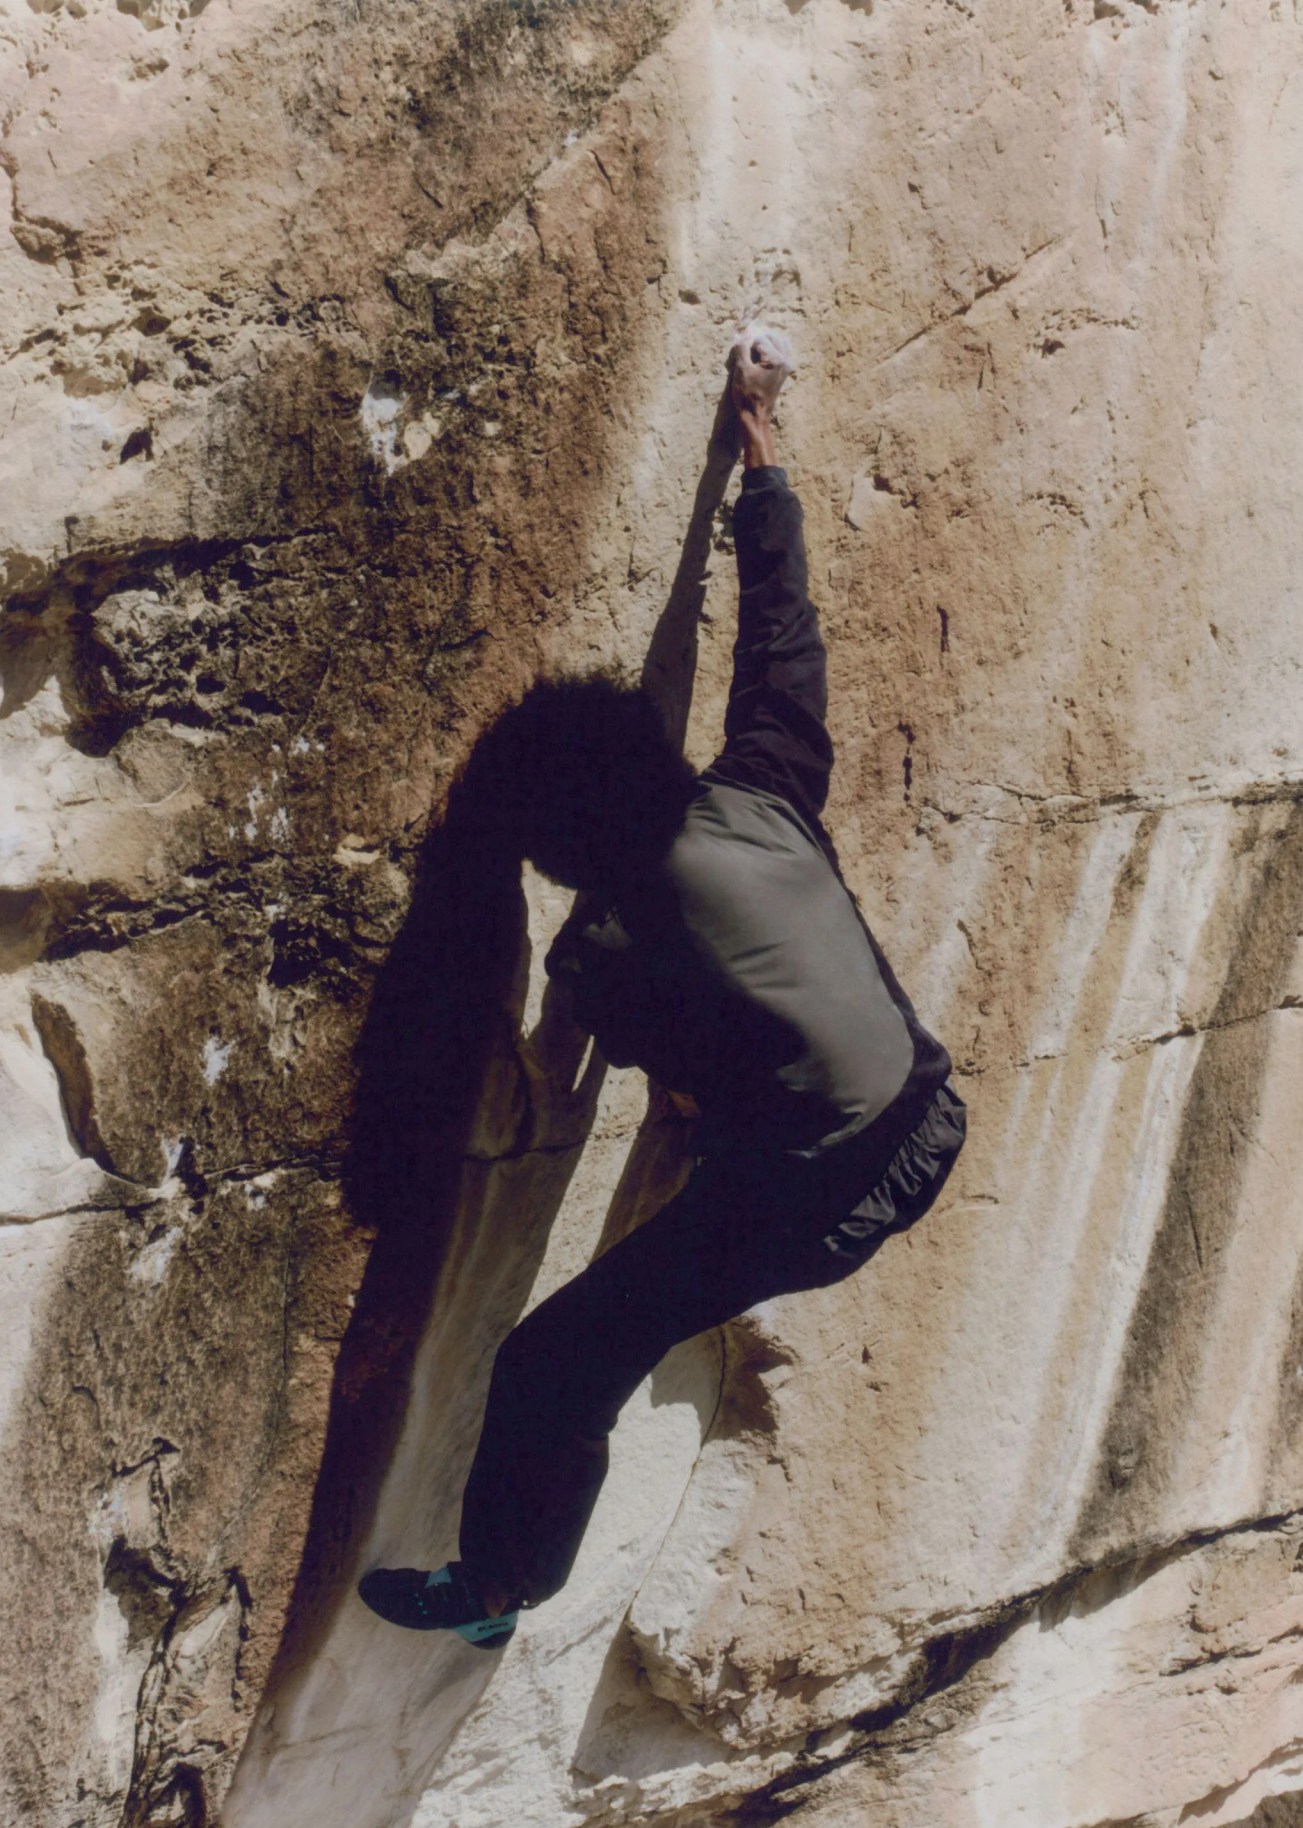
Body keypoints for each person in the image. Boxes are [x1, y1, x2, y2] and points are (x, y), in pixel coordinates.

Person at [360, 330, 965, 1650]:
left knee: (555, 1362)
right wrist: (761, 459)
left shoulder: (611, 956)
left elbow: (639, 1045)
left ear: (572, 867)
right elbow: (781, 640)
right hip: (930, 1111)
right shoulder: (764, 781)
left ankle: (496, 1591)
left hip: (817, 1202)